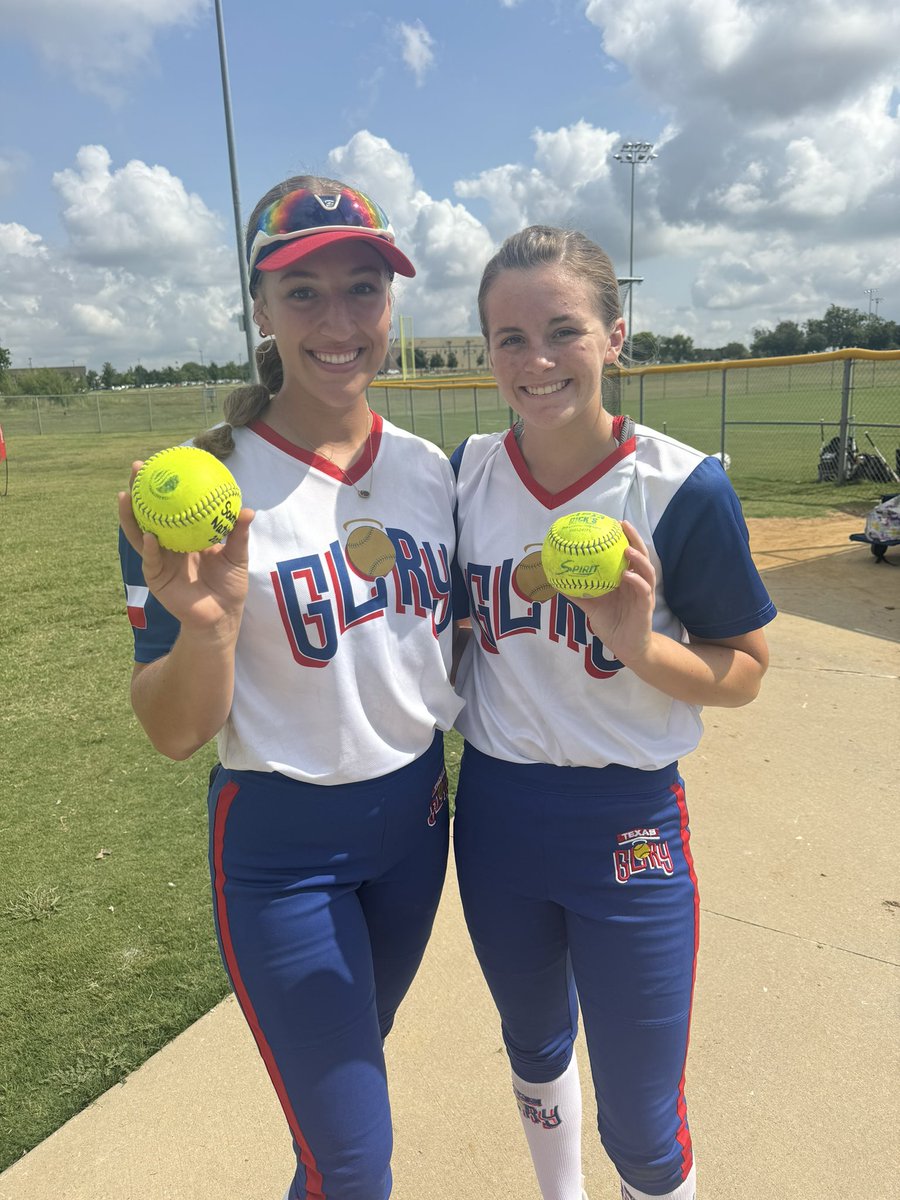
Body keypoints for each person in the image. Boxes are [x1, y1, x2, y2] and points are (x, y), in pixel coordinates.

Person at [118, 176, 462, 1200]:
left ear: (392, 305)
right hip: (282, 857)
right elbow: (174, 732)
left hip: (417, 824)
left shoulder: (432, 471)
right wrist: (212, 625)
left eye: (363, 287)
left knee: (339, 1125)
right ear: (258, 312)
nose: (339, 320)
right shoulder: (192, 489)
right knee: (356, 1164)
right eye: (303, 293)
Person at [450, 226, 775, 1200]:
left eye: (563, 330)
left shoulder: (680, 487)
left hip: (630, 823)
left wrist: (640, 645)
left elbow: (748, 668)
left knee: (642, 1112)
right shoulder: (465, 474)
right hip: (499, 818)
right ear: (487, 354)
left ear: (615, 337)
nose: (536, 360)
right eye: (509, 339)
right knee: (534, 1043)